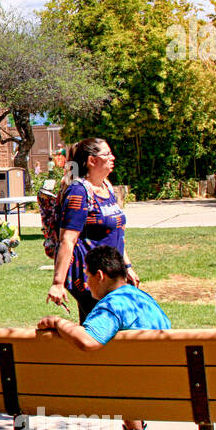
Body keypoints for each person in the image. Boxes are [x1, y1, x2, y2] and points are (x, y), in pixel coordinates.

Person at [36, 246, 164, 430]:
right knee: (122, 370)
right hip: (167, 387)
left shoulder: (112, 305)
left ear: (100, 276)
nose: (86, 283)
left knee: (113, 375)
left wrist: (58, 323)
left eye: (87, 276)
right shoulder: (145, 300)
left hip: (133, 387)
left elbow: (88, 341)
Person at [45, 137, 138, 321]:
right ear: (92, 160)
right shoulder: (79, 192)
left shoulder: (107, 188)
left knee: (101, 332)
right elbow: (68, 240)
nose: (113, 157)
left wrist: (127, 267)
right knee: (103, 331)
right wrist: (58, 283)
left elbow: (116, 233)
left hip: (111, 274)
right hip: (90, 278)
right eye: (107, 154)